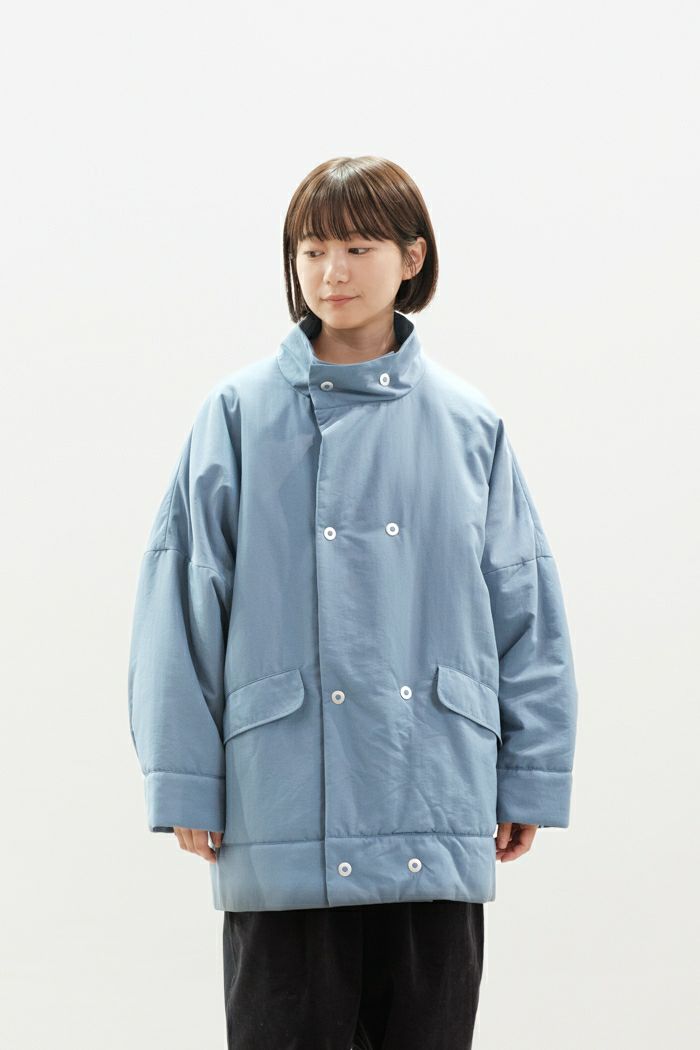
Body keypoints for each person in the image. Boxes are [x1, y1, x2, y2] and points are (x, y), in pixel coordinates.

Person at [128, 155, 579, 1049]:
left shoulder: (468, 422)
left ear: (412, 257)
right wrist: (184, 777)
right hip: (284, 796)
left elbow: (525, 602)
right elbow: (181, 599)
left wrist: (530, 768)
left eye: (358, 247)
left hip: (435, 785)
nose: (331, 272)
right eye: (312, 250)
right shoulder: (238, 413)